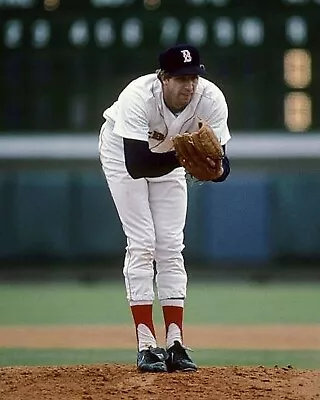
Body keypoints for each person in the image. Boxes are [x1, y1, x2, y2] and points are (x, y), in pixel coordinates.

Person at [99, 43, 231, 373]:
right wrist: (184, 156)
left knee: (171, 247)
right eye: (181, 78)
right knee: (142, 242)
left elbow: (223, 164)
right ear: (163, 78)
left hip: (170, 159)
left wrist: (215, 168)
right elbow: (137, 164)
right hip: (122, 154)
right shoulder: (137, 96)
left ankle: (175, 343)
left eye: (194, 78)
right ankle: (146, 344)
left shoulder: (211, 99)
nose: (189, 85)